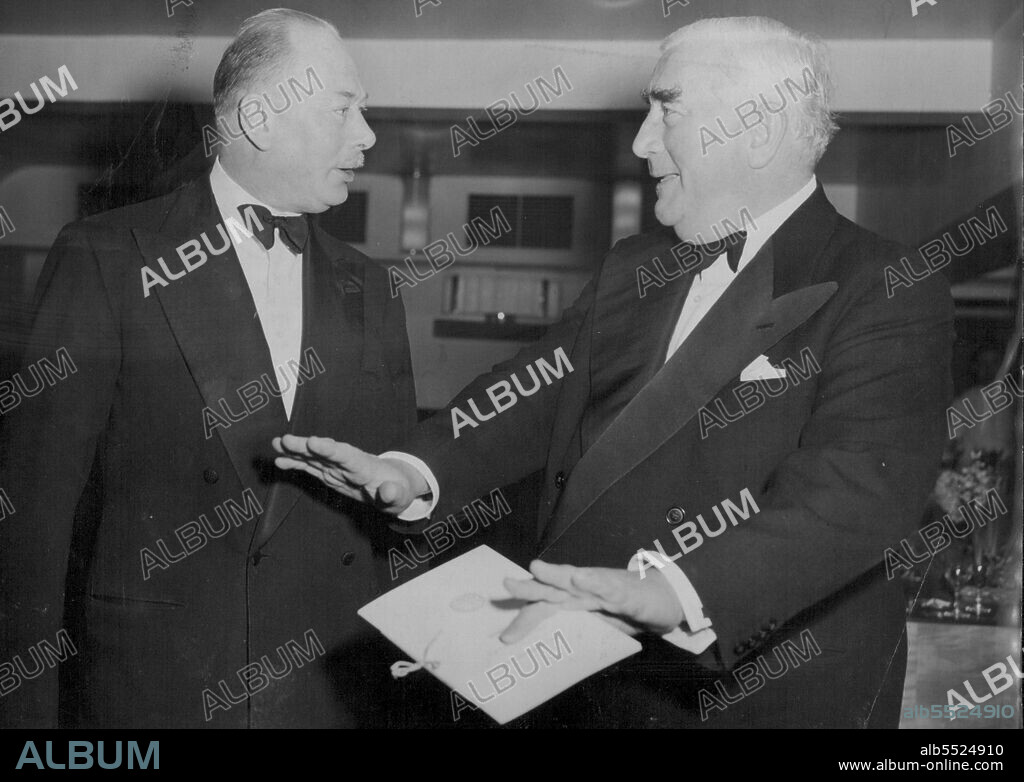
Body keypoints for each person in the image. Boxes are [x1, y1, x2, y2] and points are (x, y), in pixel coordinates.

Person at [275, 16, 953, 728]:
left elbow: (853, 498)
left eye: (668, 107)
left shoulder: (884, 282)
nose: (640, 142)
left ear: (757, 130)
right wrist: (414, 470)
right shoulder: (636, 265)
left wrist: (676, 593)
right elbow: (528, 394)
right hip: (586, 683)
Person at [0, 9, 418, 728]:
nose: (368, 136)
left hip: (326, 694)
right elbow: (33, 520)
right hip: (154, 693)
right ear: (258, 116)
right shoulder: (106, 257)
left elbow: (393, 508)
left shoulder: (371, 288)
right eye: (345, 109)